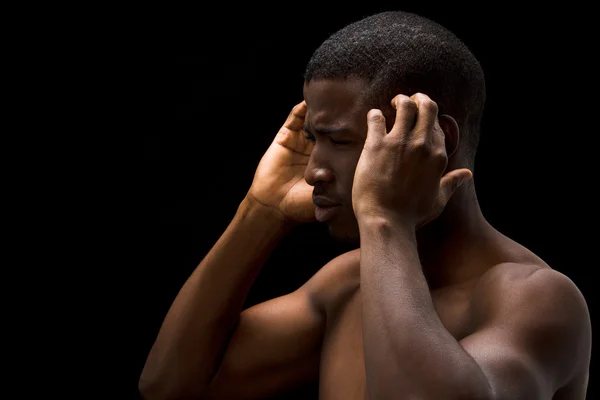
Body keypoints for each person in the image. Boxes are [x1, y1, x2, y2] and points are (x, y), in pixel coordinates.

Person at [140, 10, 591, 400]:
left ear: (435, 139)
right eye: (314, 139)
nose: (314, 169)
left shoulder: (536, 298)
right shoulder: (346, 284)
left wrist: (385, 219)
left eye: (339, 139)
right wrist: (261, 210)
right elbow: (172, 386)